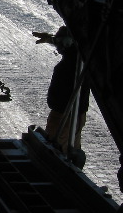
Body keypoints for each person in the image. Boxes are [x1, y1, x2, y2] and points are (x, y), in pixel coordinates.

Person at [33, 26, 90, 165]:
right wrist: (50, 39)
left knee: (55, 153)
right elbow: (69, 45)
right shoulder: (81, 56)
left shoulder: (71, 65)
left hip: (63, 117)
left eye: (60, 44)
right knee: (72, 148)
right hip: (76, 115)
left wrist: (54, 40)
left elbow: (68, 45)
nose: (58, 49)